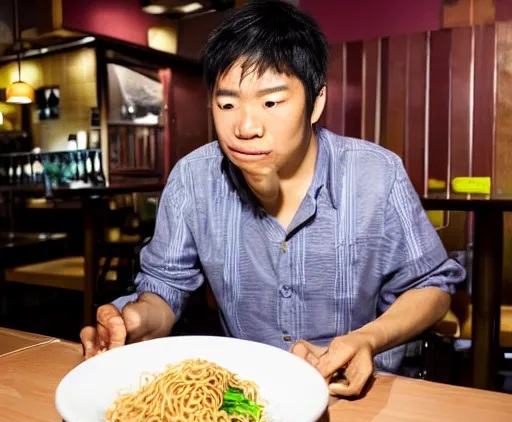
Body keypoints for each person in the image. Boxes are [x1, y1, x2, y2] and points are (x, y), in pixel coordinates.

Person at [80, 0, 465, 397]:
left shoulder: (375, 174)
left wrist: (368, 338)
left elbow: (432, 286)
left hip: (357, 397)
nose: (245, 127)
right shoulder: (193, 179)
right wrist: (135, 321)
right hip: (245, 401)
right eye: (227, 104)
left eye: (271, 102)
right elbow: (164, 291)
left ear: (316, 102)